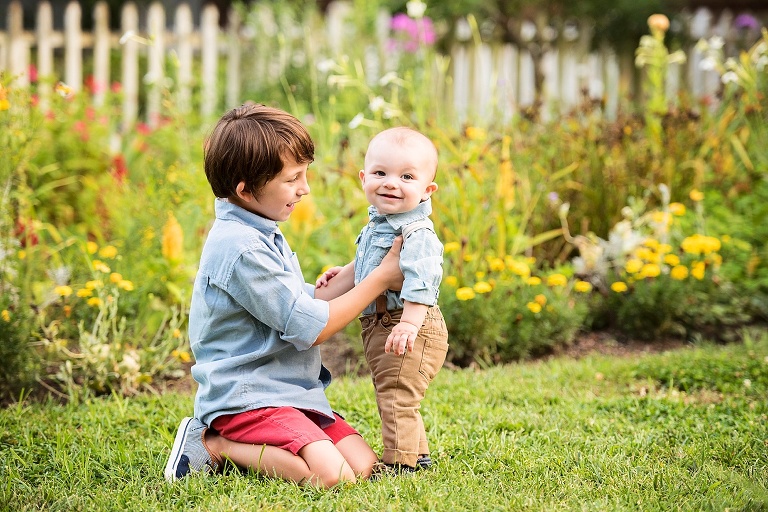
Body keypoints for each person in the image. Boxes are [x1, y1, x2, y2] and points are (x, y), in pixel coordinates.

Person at [163, 103, 405, 488]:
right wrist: (378, 280)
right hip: (247, 395)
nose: (305, 188)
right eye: (293, 179)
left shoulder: (261, 227)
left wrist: (371, 262)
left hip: (289, 391)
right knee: (332, 477)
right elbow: (309, 327)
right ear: (245, 189)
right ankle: (214, 443)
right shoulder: (240, 246)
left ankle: (275, 439)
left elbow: (298, 304)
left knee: (362, 466)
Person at [316, 127, 449, 472]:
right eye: (380, 173)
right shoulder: (383, 223)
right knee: (393, 390)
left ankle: (400, 465)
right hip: (385, 322)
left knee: (396, 396)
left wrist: (409, 323)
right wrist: (345, 272)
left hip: (407, 323)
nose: (391, 183)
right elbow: (374, 263)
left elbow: (423, 281)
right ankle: (418, 456)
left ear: (426, 190)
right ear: (363, 178)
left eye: (406, 176)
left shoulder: (415, 233)